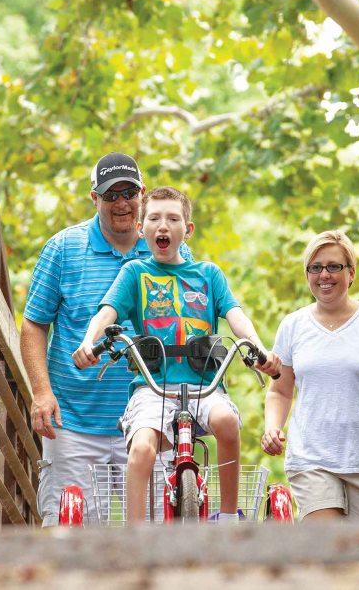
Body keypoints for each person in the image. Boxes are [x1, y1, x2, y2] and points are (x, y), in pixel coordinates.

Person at [73, 186, 280, 524]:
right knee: (141, 449)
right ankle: (136, 532)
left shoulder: (208, 275)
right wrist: (88, 341)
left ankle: (228, 516)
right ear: (142, 228)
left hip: (205, 386)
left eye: (173, 218)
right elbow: (107, 313)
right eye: (154, 218)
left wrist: (259, 348)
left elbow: (235, 316)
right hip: (153, 387)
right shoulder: (135, 273)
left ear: (188, 229)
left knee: (227, 422)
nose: (163, 226)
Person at [21, 152, 191, 526]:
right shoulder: (63, 249)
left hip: (151, 420)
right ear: (94, 198)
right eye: (110, 194)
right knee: (72, 537)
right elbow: (34, 325)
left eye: (128, 192)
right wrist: (41, 392)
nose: (121, 203)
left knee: (158, 535)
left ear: (142, 194)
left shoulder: (170, 249)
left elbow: (192, 321)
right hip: (75, 423)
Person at [261, 230, 359, 522]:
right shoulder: (292, 326)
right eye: (315, 268)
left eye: (333, 266)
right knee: (325, 546)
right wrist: (272, 427)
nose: (323, 275)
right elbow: (280, 391)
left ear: (351, 272)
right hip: (312, 459)